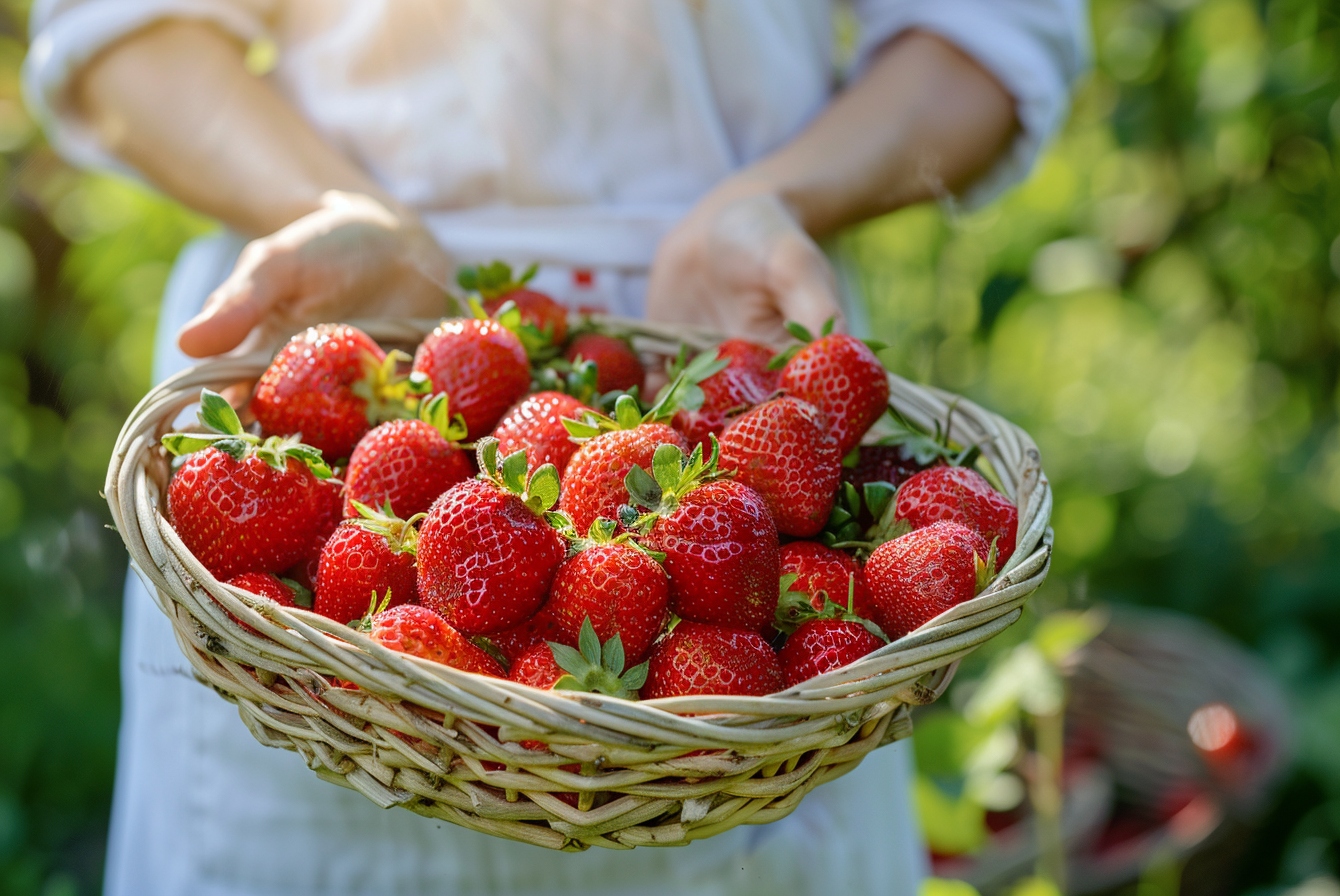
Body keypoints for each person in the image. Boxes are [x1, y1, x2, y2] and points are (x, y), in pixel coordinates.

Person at [24, 3, 1086, 894]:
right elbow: (119, 33)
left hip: (727, 342)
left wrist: (784, 197)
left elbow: (988, 38)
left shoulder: (747, 462)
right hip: (363, 321)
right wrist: (324, 201)